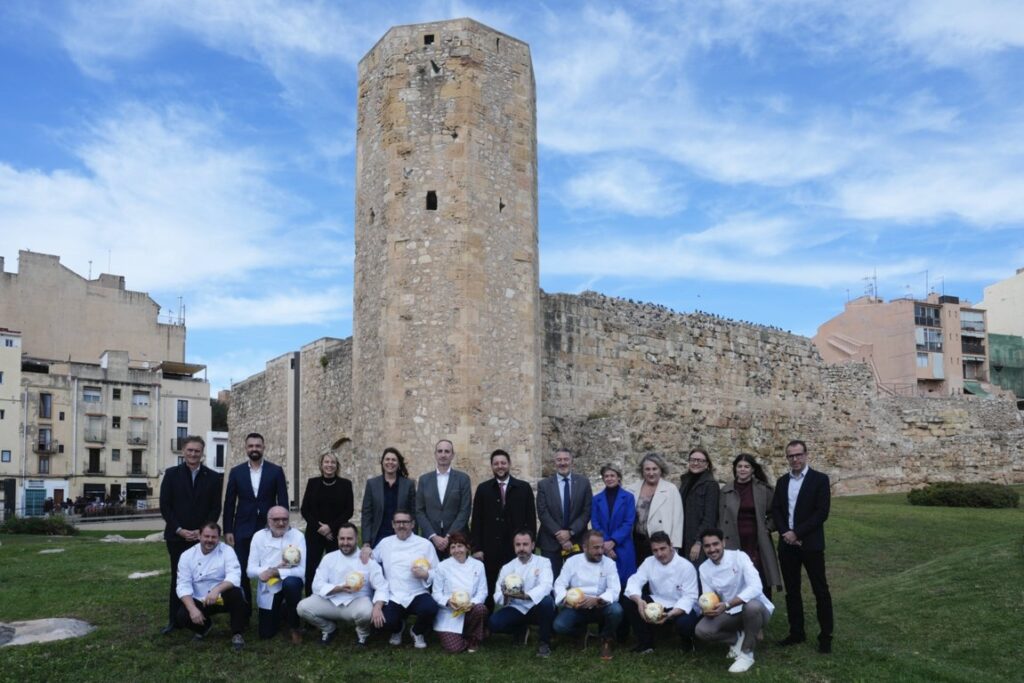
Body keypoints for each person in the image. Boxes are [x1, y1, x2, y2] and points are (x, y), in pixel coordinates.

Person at [771, 439, 834, 654]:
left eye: (798, 454)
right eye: (791, 455)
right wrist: (785, 533)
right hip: (787, 545)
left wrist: (797, 533)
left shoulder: (820, 480)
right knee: (792, 591)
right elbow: (777, 510)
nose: (795, 459)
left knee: (820, 590)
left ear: (806, 455)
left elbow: (821, 512)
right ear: (787, 458)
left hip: (811, 543)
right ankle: (796, 632)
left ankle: (826, 636)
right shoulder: (781, 482)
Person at [159, 435, 223, 635]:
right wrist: (179, 529)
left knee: (203, 579)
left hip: (203, 539)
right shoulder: (171, 475)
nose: (193, 454)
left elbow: (215, 508)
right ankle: (174, 620)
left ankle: (200, 619)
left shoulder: (213, 477)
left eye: (197, 451)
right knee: (179, 580)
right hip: (177, 537)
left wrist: (201, 531)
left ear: (202, 453)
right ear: (183, 452)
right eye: (190, 450)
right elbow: (165, 506)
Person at [695, 528, 774, 674]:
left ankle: (747, 653)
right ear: (703, 548)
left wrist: (727, 604)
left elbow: (756, 587)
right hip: (729, 612)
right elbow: (708, 595)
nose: (712, 549)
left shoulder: (740, 557)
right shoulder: (704, 568)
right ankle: (736, 639)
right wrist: (708, 609)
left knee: (752, 607)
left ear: (723, 543)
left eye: (715, 544)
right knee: (702, 630)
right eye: (707, 546)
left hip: (757, 609)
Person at [224, 432, 289, 608]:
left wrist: (284, 527)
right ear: (246, 448)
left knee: (273, 567)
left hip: (269, 528)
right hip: (242, 527)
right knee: (243, 569)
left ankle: (273, 606)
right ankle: (244, 609)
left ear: (263, 447)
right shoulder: (236, 472)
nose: (254, 449)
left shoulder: (275, 471)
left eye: (257, 446)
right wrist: (228, 529)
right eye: (251, 446)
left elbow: (282, 501)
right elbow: (229, 502)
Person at [296, 523, 387, 647]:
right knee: (302, 607)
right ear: (337, 539)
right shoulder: (329, 558)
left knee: (366, 612)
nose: (345, 542)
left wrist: (377, 606)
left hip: (356, 602)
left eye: (349, 539)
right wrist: (337, 589)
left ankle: (363, 634)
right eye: (342, 539)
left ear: (356, 538)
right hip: (331, 601)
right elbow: (316, 585)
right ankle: (329, 629)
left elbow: (381, 586)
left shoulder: (367, 560)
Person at [470, 448, 536, 607]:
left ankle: (518, 625)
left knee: (517, 584)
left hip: (515, 547)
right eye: (496, 463)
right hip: (489, 547)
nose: (500, 466)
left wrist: (530, 545)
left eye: (503, 463)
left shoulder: (523, 488)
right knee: (488, 586)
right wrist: (477, 548)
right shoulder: (483, 489)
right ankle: (485, 624)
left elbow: (531, 519)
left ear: (509, 464)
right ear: (492, 466)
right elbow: (476, 520)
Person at [174, 522, 247, 651]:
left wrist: (217, 590)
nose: (210, 540)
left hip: (221, 595)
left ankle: (237, 633)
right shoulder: (187, 556)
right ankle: (204, 627)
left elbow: (234, 576)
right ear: (199, 536)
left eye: (214, 537)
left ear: (219, 538)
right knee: (182, 615)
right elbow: (183, 584)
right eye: (206, 536)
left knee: (236, 594)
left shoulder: (227, 551)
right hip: (200, 597)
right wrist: (192, 609)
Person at [623, 531, 700, 654]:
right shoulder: (649, 562)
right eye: (655, 550)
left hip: (680, 605)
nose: (659, 554)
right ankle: (646, 644)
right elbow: (635, 581)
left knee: (685, 623)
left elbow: (689, 598)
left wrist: (669, 615)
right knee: (629, 600)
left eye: (663, 548)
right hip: (658, 602)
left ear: (671, 546)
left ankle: (688, 641)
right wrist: (639, 601)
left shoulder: (686, 566)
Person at [373, 509, 440, 648]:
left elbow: (438, 572)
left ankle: (417, 631)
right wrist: (366, 550)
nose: (401, 525)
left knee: (431, 608)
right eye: (398, 522)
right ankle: (398, 629)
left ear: (412, 524)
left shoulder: (425, 544)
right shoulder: (385, 543)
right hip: (394, 594)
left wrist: (426, 574)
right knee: (386, 622)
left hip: (417, 592)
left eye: (405, 522)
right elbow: (370, 561)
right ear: (393, 524)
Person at [552, 529, 623, 660]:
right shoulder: (572, 562)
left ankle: (606, 638)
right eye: (596, 548)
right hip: (576, 607)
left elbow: (615, 590)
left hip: (600, 606)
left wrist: (597, 600)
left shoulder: (609, 563)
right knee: (559, 626)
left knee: (616, 610)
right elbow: (559, 584)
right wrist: (566, 600)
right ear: (584, 547)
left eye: (602, 547)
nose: (600, 551)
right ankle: (582, 633)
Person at [719, 453, 782, 598]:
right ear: (735, 469)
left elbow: (775, 513)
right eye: (739, 466)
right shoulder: (725, 491)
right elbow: (720, 517)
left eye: (747, 466)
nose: (742, 469)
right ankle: (738, 610)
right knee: (736, 574)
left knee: (759, 573)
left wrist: (768, 528)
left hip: (756, 540)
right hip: (733, 539)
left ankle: (763, 608)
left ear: (753, 469)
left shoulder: (763, 490)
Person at [488, 529, 556, 658]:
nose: (521, 548)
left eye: (525, 544)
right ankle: (521, 629)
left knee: (547, 601)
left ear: (533, 545)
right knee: (493, 623)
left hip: (535, 607)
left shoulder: (543, 562)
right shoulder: (507, 567)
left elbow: (546, 585)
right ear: (514, 546)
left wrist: (525, 595)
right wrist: (506, 596)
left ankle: (544, 642)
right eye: (518, 545)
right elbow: (497, 594)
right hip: (516, 607)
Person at [247, 505, 306, 643]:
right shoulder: (259, 536)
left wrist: (276, 571)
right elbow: (250, 570)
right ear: (268, 520)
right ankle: (283, 610)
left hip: (291, 582)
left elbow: (302, 571)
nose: (281, 523)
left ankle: (294, 626)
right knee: (266, 634)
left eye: (285, 519)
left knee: (291, 584)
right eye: (276, 519)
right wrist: (268, 571)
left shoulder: (298, 536)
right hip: (269, 587)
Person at [300, 451, 354, 596]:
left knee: (335, 569)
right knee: (311, 568)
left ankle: (334, 601)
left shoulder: (345, 484)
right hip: (314, 533)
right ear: (321, 465)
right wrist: (320, 528)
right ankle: (311, 601)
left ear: (337, 466)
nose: (329, 465)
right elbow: (305, 509)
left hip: (336, 535)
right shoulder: (313, 483)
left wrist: (330, 527)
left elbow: (348, 511)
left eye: (333, 462)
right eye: (326, 462)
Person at [536, 448, 592, 578]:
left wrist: (570, 532)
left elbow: (587, 511)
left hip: (576, 540)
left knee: (577, 580)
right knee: (550, 580)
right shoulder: (544, 485)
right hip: (551, 542)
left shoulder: (583, 483)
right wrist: (560, 535)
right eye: (559, 460)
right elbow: (542, 512)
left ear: (571, 461)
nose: (562, 463)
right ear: (554, 462)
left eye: (566, 459)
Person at [432, 532, 489, 653]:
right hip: (449, 613)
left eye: (460, 546)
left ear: (467, 547)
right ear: (449, 551)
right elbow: (436, 594)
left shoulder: (478, 566)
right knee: (454, 648)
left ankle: (473, 638)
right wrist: (448, 602)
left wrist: (471, 604)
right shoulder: (442, 566)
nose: (457, 550)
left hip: (470, 610)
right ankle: (474, 634)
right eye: (453, 547)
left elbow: (483, 592)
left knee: (481, 609)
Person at [416, 439, 472, 558]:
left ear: (452, 455)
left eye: (447, 451)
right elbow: (419, 511)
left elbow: (465, 510)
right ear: (435, 454)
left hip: (456, 540)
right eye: (440, 451)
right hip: (430, 540)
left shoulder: (463, 479)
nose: (443, 455)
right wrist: (433, 536)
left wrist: (448, 537)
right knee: (431, 574)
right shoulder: (424, 480)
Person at [626, 453, 683, 563]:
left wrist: (674, 546)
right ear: (642, 471)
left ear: (661, 470)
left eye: (654, 469)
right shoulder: (631, 489)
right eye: (647, 469)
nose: (651, 473)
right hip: (636, 541)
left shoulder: (671, 489)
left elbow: (678, 520)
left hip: (660, 544)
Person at [590, 464, 637, 588]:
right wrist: (606, 543)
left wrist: (614, 541)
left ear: (619, 478)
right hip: (602, 546)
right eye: (606, 476)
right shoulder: (596, 499)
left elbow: (628, 522)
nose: (609, 478)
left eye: (612, 475)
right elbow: (595, 522)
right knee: (605, 581)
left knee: (626, 581)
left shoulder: (628, 498)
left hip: (623, 545)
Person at [360, 447, 417, 549]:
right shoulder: (372, 484)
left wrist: (414, 536)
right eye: (387, 459)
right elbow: (367, 515)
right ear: (382, 462)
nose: (390, 462)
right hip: (379, 536)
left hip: (402, 535)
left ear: (398, 463)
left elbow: (413, 513)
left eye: (394, 460)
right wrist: (366, 541)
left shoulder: (408, 484)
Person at [680, 447, 719, 564]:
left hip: (697, 540)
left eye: (700, 461)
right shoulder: (685, 481)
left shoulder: (710, 484)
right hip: (683, 538)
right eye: (693, 460)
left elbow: (710, 517)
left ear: (707, 464)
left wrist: (698, 542)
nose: (695, 463)